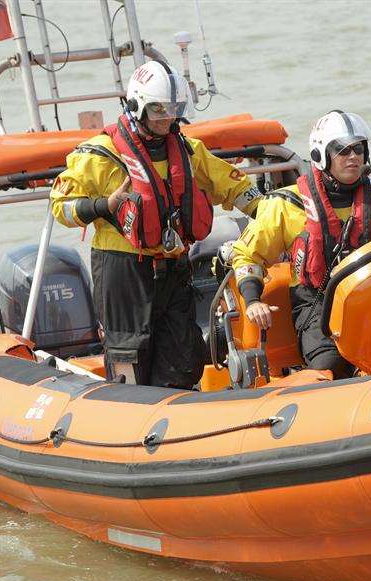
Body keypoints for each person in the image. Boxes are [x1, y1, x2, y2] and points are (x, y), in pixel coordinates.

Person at [50, 60, 261, 388]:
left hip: (174, 269)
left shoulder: (189, 151)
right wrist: (104, 205)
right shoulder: (98, 155)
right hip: (123, 270)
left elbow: (233, 184)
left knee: (183, 356)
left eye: (174, 109)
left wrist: (270, 214)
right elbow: (60, 207)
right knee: (129, 357)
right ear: (137, 107)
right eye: (159, 109)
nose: (168, 118)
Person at [231, 111, 371, 379]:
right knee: (331, 363)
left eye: (358, 149)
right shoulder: (285, 206)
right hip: (318, 308)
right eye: (342, 150)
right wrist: (252, 301)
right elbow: (247, 256)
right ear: (322, 156)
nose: (353, 156)